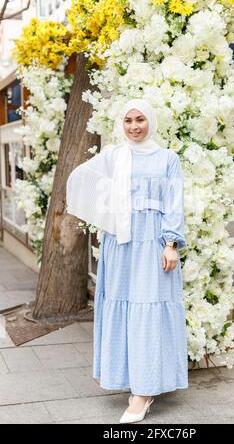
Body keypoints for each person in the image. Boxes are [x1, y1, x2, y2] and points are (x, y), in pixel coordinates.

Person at [66, 99, 188, 424]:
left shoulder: (167, 159)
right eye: (129, 121)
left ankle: (144, 391)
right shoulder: (114, 156)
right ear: (122, 124)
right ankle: (129, 378)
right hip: (120, 243)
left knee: (148, 307)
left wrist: (171, 244)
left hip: (153, 242)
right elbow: (82, 181)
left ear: (151, 121)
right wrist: (104, 213)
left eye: (140, 120)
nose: (134, 126)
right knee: (123, 306)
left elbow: (174, 203)